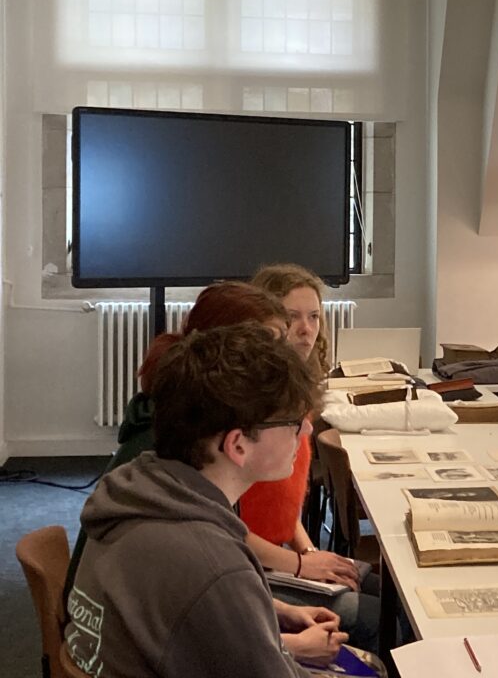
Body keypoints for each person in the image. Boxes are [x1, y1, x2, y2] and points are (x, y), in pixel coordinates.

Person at [65, 282, 351, 666]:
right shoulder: (215, 564)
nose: (305, 432)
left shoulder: (143, 483)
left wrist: (270, 615)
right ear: (237, 445)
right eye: (291, 422)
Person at [246, 263, 380, 652]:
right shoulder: (252, 403)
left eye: (314, 317)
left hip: (278, 557)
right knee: (376, 615)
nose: (306, 330)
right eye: (292, 318)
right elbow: (225, 530)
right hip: (253, 566)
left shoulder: (298, 388)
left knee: (383, 589)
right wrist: (303, 566)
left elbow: (282, 505)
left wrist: (308, 550)